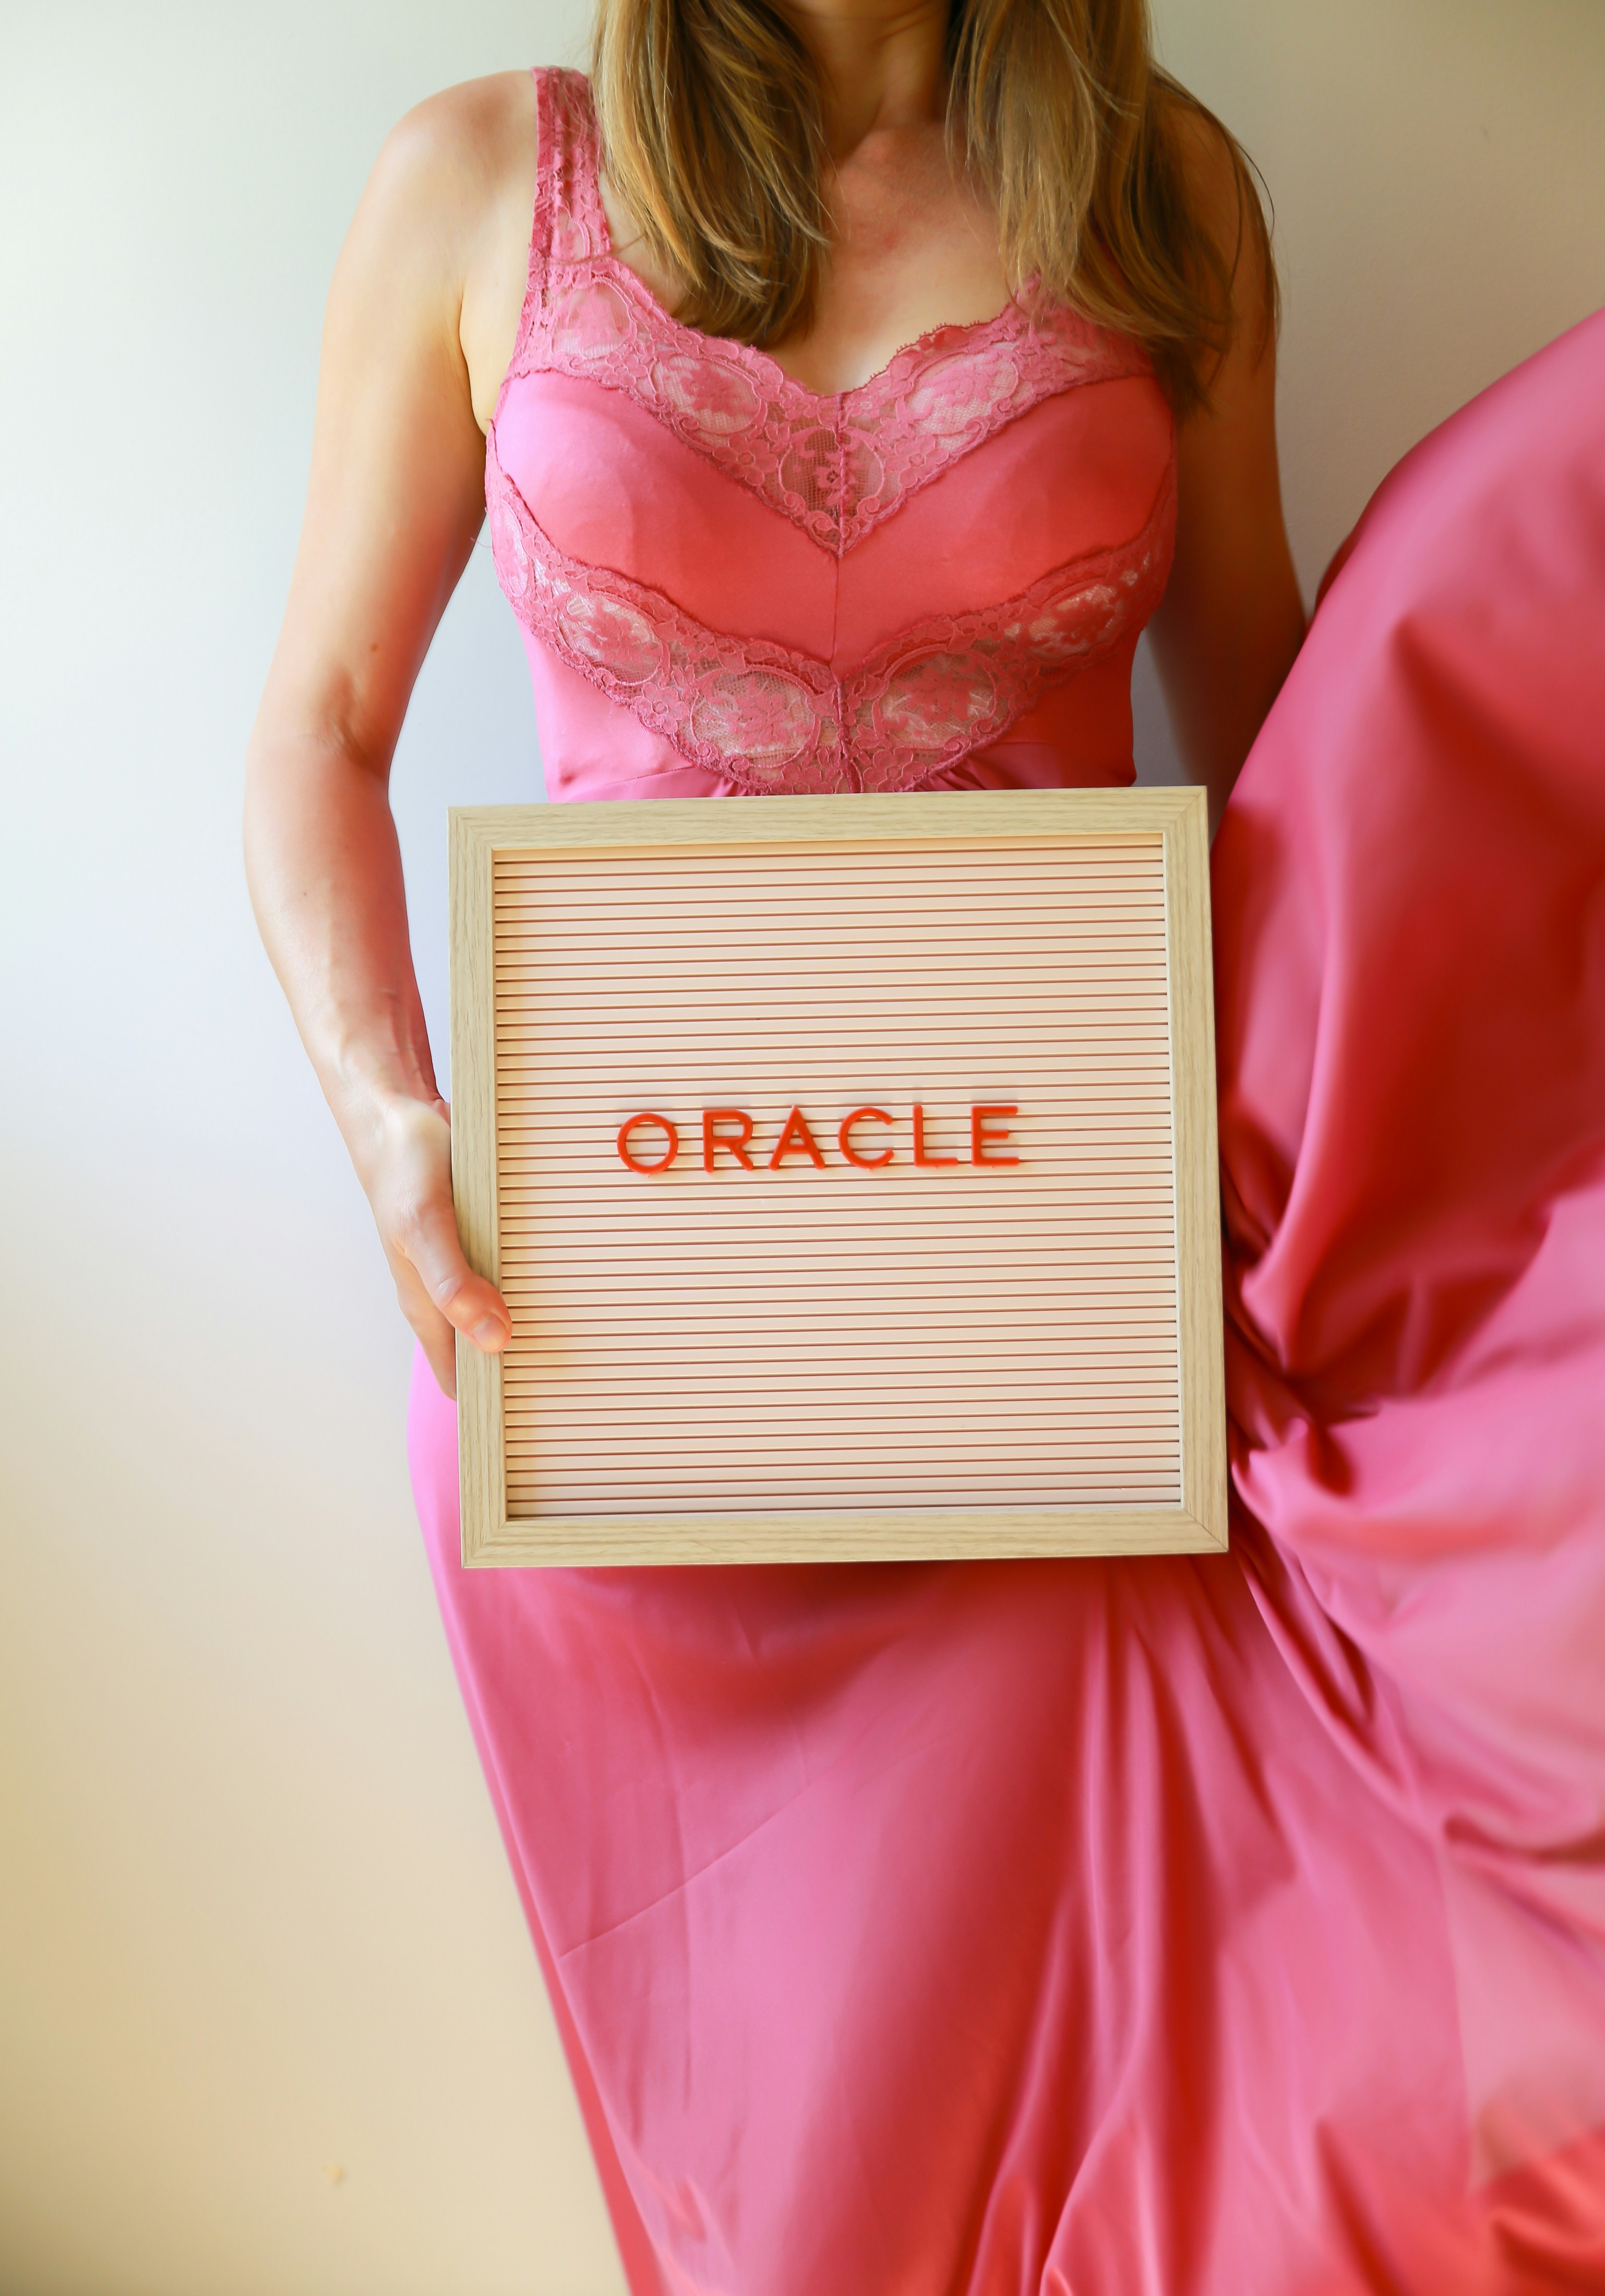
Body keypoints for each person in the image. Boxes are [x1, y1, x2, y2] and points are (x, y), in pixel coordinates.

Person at [245, 0, 1605, 2285]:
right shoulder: (482, 178)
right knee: (802, 2205)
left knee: (1117, 2126)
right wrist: (394, 1127)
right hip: (611, 1372)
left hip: (1049, 1357)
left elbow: (1283, 740)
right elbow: (316, 717)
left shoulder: (1159, 191)